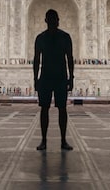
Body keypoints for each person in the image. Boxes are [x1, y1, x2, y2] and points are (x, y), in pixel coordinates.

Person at [33, 9, 74, 151]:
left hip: (60, 77)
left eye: (54, 19)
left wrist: (71, 78)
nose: (52, 22)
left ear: (58, 20)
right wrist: (35, 79)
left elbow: (70, 59)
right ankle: (44, 140)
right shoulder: (41, 38)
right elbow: (36, 60)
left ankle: (63, 140)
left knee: (62, 109)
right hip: (46, 76)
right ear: (46, 21)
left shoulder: (65, 37)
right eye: (50, 19)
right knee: (44, 109)